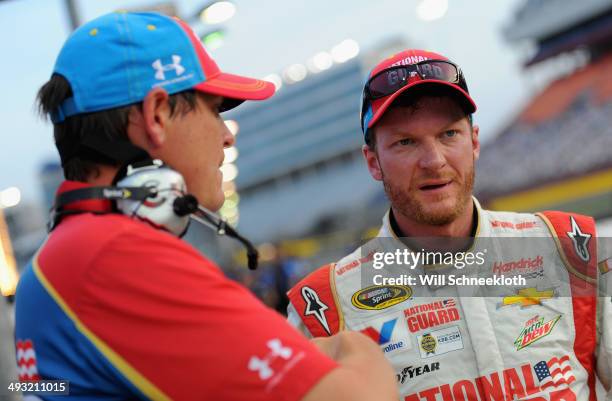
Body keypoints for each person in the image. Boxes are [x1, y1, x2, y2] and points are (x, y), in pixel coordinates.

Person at [14, 12, 399, 401]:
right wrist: (356, 348)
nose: (225, 137)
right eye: (214, 110)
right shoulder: (118, 256)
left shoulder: (52, 263)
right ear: (157, 115)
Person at [287, 49, 612, 400]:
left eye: (448, 134)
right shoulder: (325, 305)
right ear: (373, 162)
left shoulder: (569, 248)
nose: (434, 160)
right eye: (405, 142)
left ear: (473, 141)